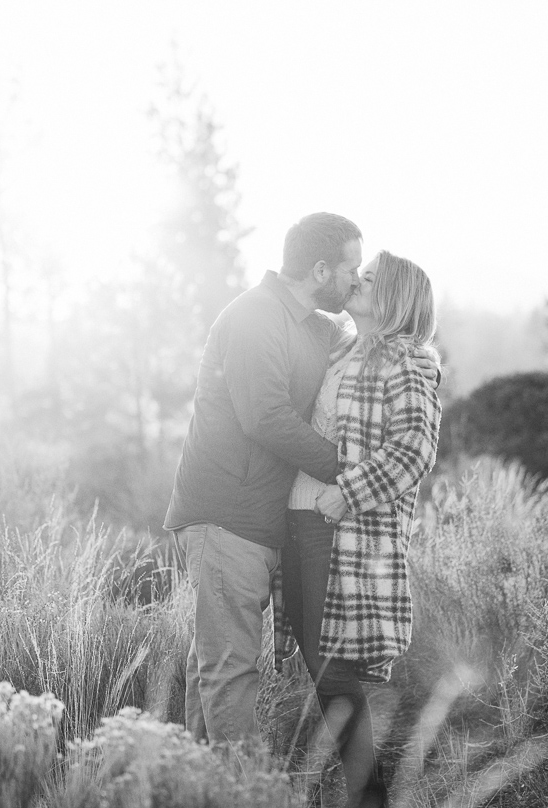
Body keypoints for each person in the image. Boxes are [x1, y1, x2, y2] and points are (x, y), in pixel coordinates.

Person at [165, 213, 439, 745]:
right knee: (230, 667)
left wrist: (409, 358)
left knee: (218, 665)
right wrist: (346, 474)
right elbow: (265, 416)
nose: (355, 279)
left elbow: (407, 437)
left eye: (366, 274)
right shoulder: (255, 318)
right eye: (351, 269)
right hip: (227, 516)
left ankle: (202, 791)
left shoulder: (320, 330)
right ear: (319, 270)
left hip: (273, 524)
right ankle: (234, 802)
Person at [280, 250, 441, 808]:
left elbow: (415, 449)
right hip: (301, 523)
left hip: (343, 531)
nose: (357, 281)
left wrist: (346, 496)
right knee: (322, 668)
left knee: (336, 672)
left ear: (395, 296)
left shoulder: (408, 360)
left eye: (370, 278)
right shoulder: (341, 349)